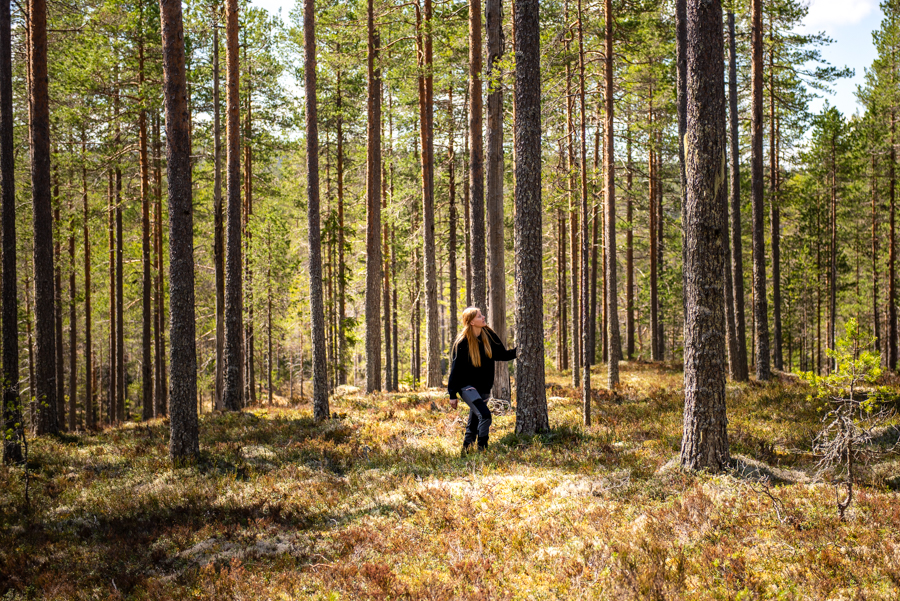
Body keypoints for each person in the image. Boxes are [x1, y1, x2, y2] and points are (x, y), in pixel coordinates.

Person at [447, 306, 516, 454]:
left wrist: (521, 349)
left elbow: (502, 355)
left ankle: (465, 453)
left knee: (474, 422)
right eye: (479, 316)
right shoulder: (462, 342)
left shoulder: (488, 335)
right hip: (467, 387)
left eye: (482, 315)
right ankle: (482, 449)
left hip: (484, 387)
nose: (483, 317)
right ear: (471, 322)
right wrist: (452, 394)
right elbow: (455, 369)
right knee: (485, 415)